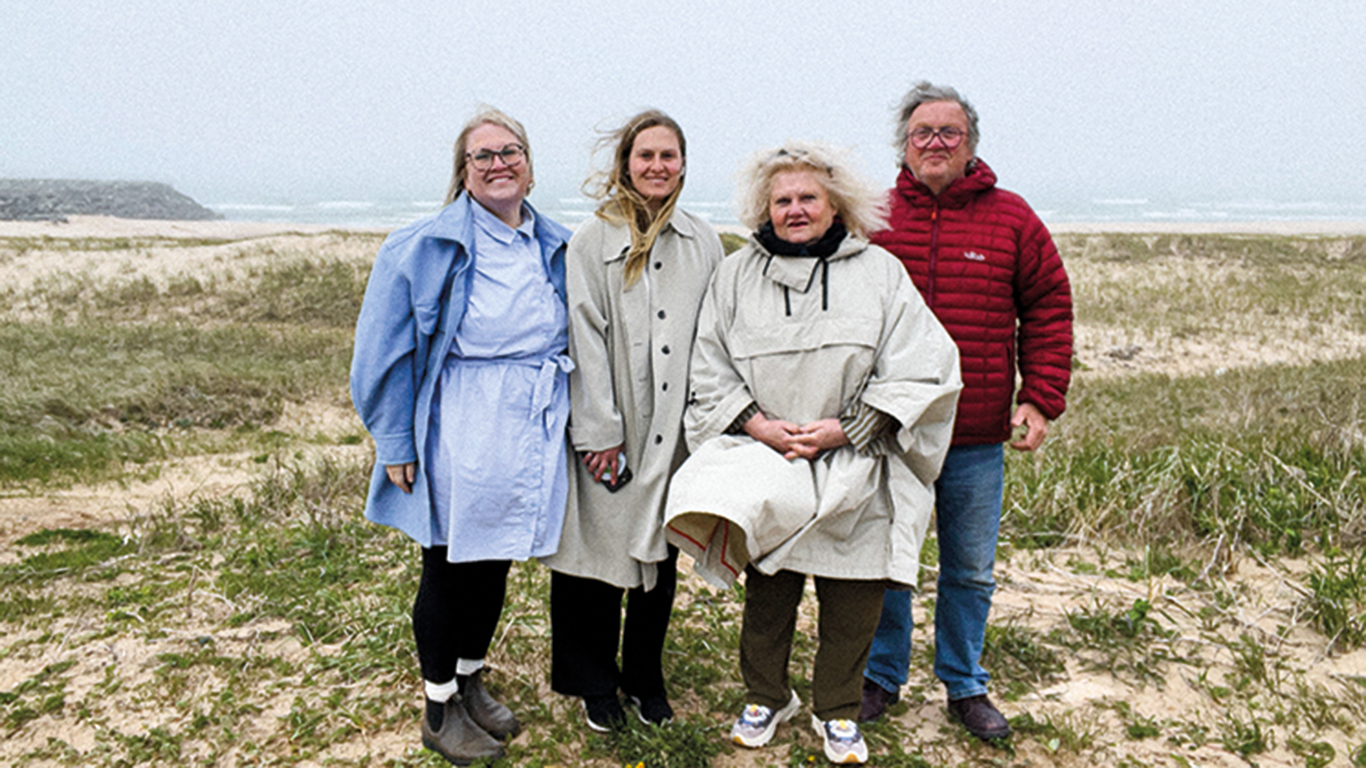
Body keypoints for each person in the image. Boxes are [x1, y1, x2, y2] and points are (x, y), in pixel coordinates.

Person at [664, 141, 962, 765]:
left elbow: (922, 367)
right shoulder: (736, 274)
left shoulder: (880, 272)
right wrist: (756, 425)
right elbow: (709, 364)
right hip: (767, 459)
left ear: (836, 206)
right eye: (782, 200)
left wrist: (846, 429)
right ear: (764, 209)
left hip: (854, 457)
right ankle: (767, 696)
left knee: (853, 598)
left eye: (807, 198)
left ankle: (838, 710)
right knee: (769, 593)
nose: (795, 210)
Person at [350, 106, 573, 765]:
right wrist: (395, 440)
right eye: (484, 156)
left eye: (511, 152)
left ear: (529, 168)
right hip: (459, 420)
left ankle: (472, 680)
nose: (499, 163)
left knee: (497, 558)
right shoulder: (420, 247)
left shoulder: (554, 244)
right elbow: (380, 353)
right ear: (463, 172)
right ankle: (439, 704)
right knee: (448, 563)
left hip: (530, 418)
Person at [859, 82, 1074, 740]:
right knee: (887, 562)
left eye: (949, 133)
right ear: (904, 143)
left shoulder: (1012, 218)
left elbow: (1048, 306)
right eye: (923, 132)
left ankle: (964, 684)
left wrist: (1040, 397)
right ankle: (881, 676)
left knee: (970, 569)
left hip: (976, 431)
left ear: (971, 144)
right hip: (890, 431)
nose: (936, 143)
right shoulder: (870, 216)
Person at [541, 110, 724, 731]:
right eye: (645, 156)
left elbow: (714, 337)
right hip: (608, 426)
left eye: (667, 156)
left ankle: (645, 677)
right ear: (625, 164)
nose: (656, 167)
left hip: (674, 432)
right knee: (593, 560)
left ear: (682, 165)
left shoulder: (704, 242)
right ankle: (593, 684)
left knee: (658, 561)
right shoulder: (593, 240)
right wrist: (598, 431)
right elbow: (583, 334)